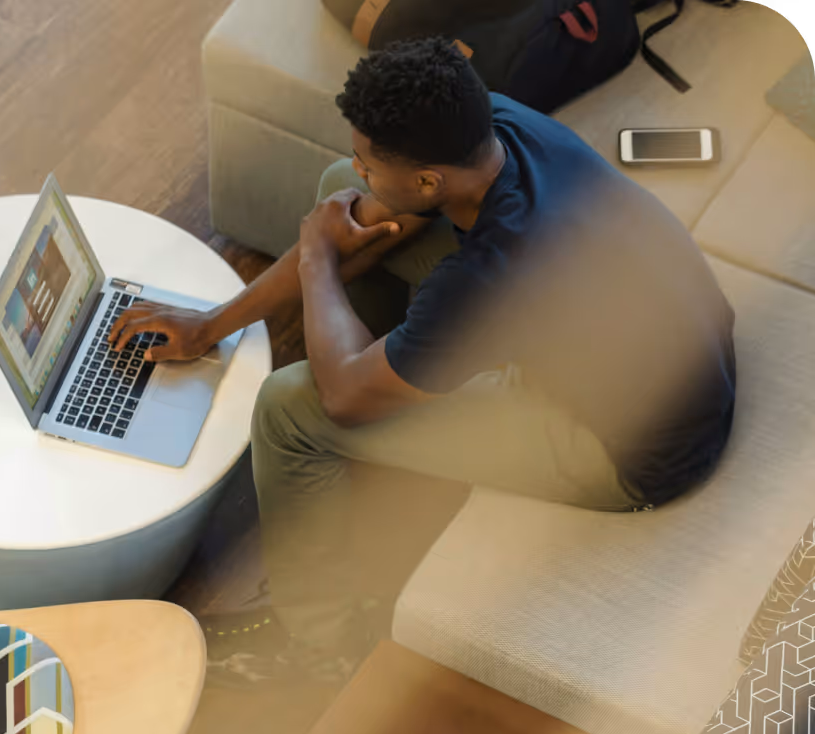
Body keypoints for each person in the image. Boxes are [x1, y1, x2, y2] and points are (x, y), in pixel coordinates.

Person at [108, 36, 737, 687]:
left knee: (290, 408)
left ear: (430, 180)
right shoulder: (493, 125)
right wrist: (212, 325)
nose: (360, 169)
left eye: (369, 161)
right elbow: (368, 210)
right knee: (338, 198)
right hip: (674, 352)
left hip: (626, 448)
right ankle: (390, 384)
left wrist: (319, 259)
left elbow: (343, 397)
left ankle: (317, 644)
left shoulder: (494, 270)